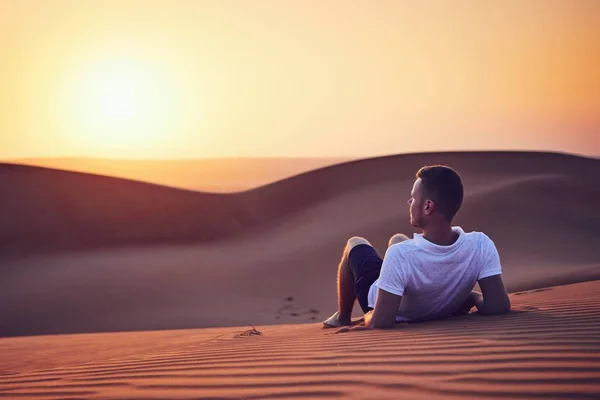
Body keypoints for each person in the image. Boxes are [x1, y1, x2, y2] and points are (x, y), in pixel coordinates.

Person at [323, 165, 511, 329]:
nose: (410, 203)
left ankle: (342, 317)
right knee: (398, 238)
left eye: (413, 198)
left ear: (428, 207)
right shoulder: (480, 244)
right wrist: (472, 297)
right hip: (435, 302)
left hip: (383, 302)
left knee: (354, 243)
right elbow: (498, 305)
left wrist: (366, 316)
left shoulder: (400, 255)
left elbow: (379, 322)